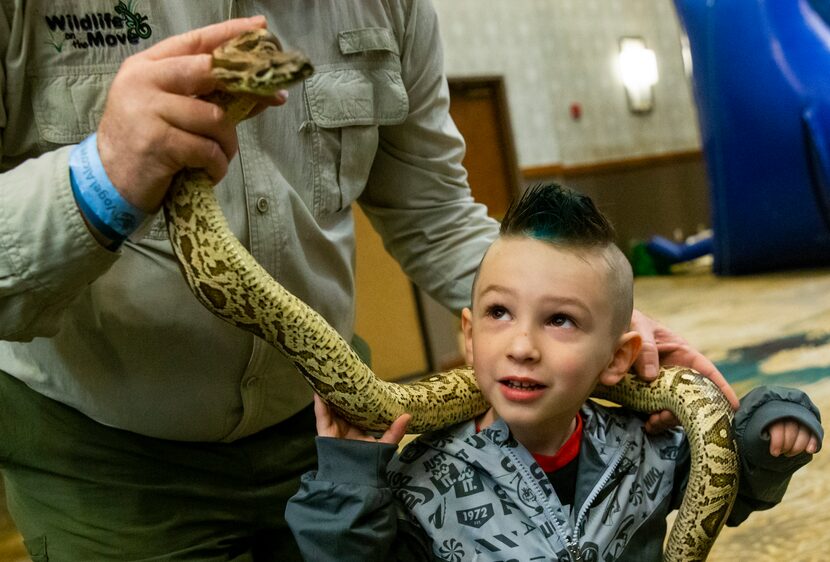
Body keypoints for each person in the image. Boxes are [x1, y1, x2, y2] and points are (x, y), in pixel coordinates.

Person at [0, 2, 735, 559]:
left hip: (329, 425)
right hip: (104, 453)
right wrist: (103, 175)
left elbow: (436, 212)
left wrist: (591, 318)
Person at [286, 183, 823, 562]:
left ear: (617, 358)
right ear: (468, 338)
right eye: (500, 313)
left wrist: (770, 427)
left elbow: (738, 487)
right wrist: (349, 486)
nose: (522, 346)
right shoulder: (419, 479)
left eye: (559, 320)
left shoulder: (647, 450)